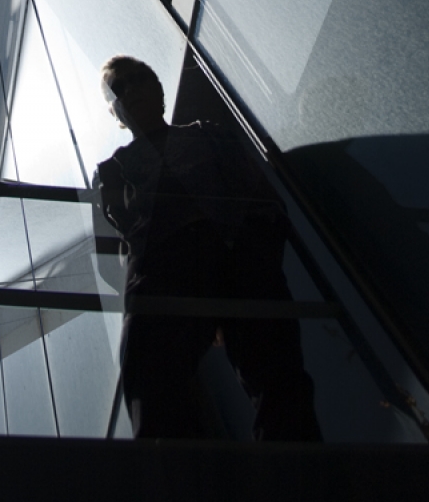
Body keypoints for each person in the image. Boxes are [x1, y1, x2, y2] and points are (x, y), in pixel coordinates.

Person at [94, 55, 321, 441]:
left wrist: (256, 257)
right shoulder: (111, 170)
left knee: (278, 377)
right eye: (119, 88)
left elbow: (262, 198)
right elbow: (123, 233)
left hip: (241, 258)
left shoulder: (209, 134)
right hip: (163, 270)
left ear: (158, 89)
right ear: (114, 111)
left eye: (138, 79)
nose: (130, 90)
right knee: (152, 382)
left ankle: (295, 465)